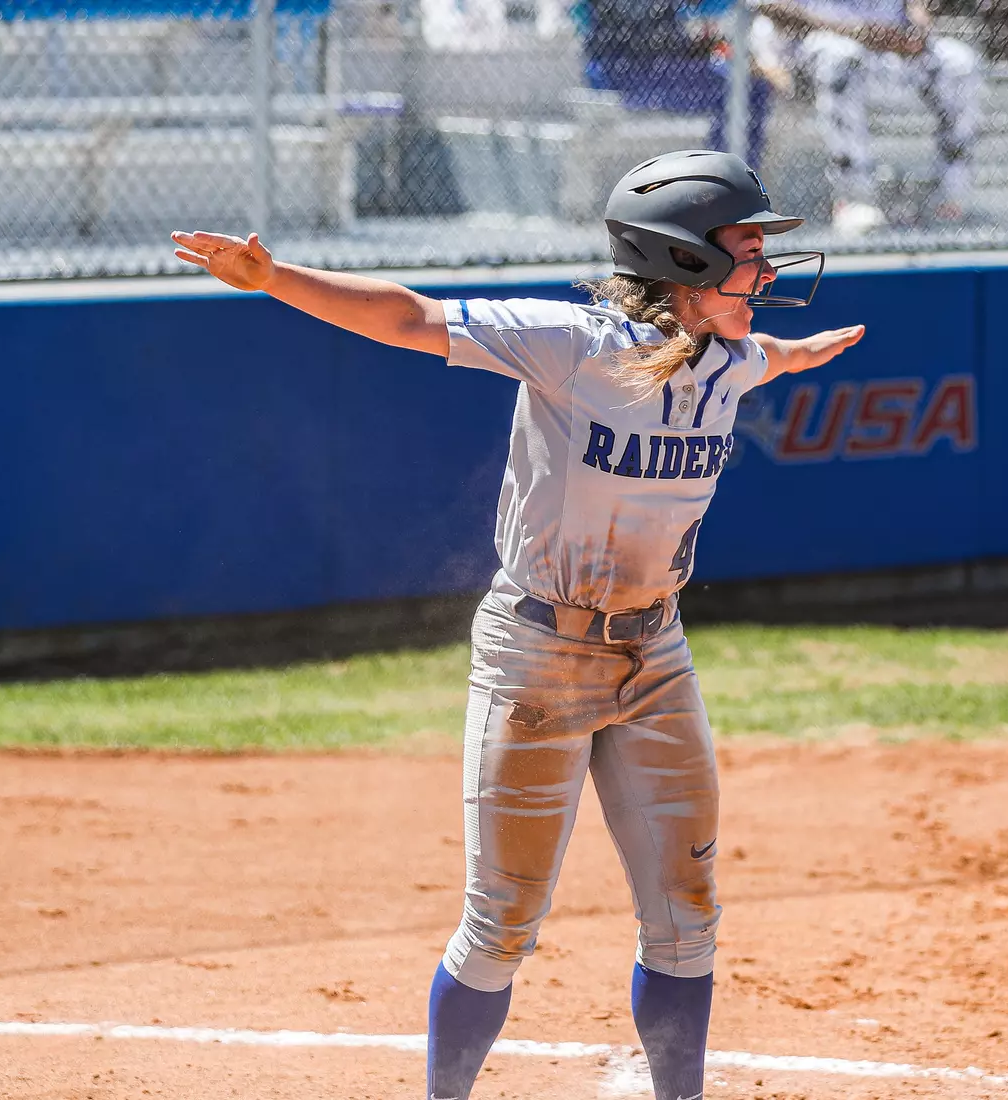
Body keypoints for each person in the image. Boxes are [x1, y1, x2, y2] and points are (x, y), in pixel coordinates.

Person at [170, 149, 863, 1100]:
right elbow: (408, 317)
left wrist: (801, 355)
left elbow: (763, 362)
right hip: (538, 659)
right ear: (687, 264)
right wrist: (274, 277)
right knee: (500, 924)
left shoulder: (729, 359)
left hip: (656, 653)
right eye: (749, 250)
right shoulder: (572, 342)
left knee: (688, 916)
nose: (769, 272)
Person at [754, 0, 982, 233]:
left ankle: (951, 194)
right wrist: (853, 30)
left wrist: (917, 31)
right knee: (841, 56)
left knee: (960, 62)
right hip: (816, 51)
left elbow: (914, 8)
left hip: (887, 50)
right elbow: (769, 6)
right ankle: (854, 197)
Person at [583, 0, 775, 168]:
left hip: (661, 69)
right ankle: (727, 180)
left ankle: (732, 176)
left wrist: (699, 45)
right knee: (750, 89)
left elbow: (679, 28)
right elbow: (644, 39)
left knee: (754, 87)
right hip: (624, 74)